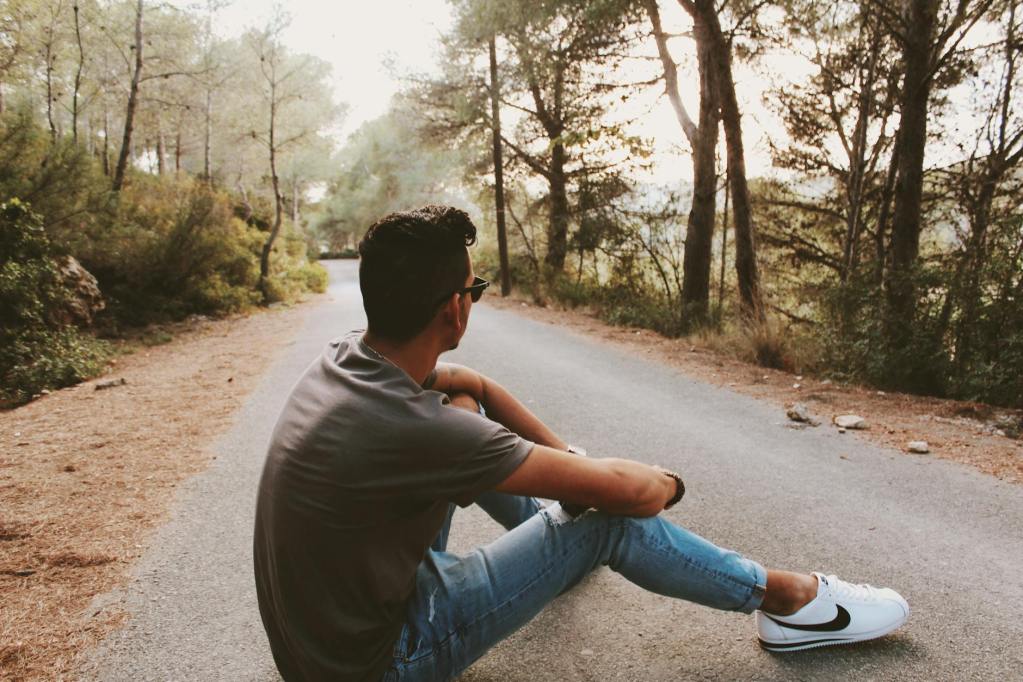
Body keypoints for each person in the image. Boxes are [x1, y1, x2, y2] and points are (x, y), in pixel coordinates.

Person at [253, 205, 909, 682]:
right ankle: (791, 602)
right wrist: (659, 481)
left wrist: (566, 464)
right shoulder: (418, 430)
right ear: (454, 308)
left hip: (327, 640)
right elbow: (633, 495)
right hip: (384, 661)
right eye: (474, 291)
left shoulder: (351, 362)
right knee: (604, 525)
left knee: (467, 414)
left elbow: (470, 384)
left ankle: (549, 544)